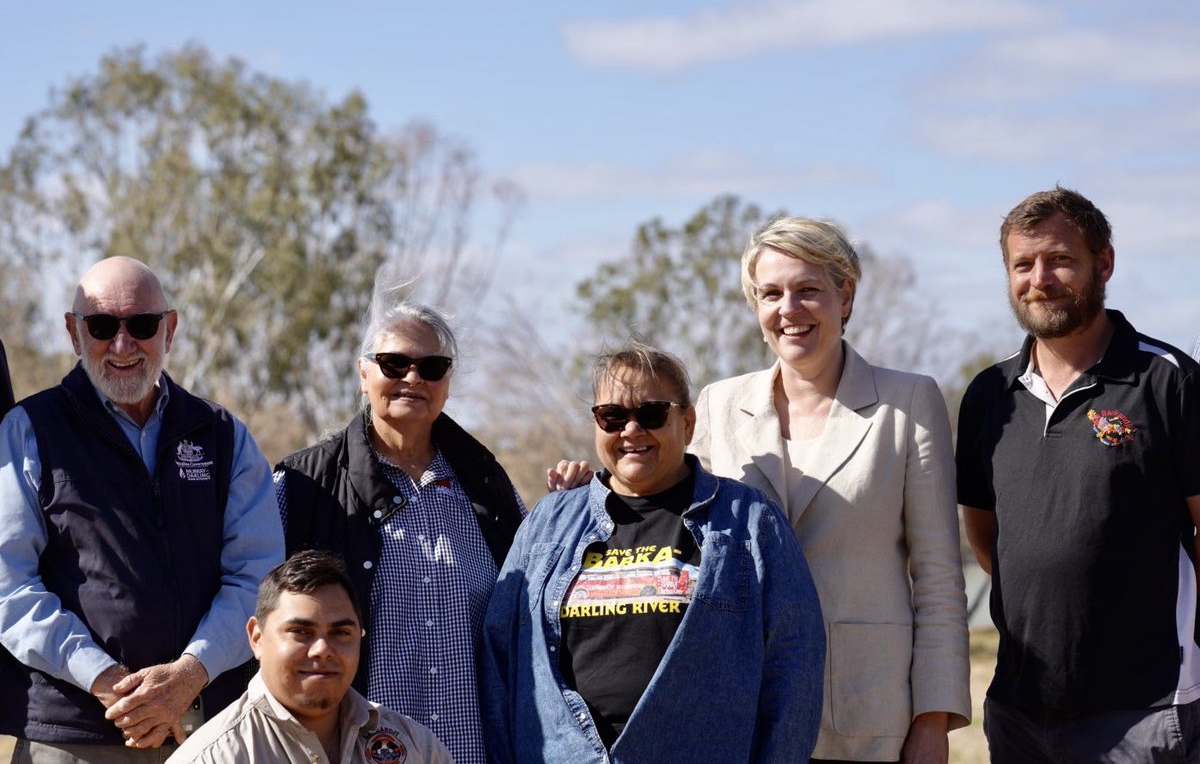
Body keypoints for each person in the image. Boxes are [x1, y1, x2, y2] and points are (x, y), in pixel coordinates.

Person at [691, 217, 971, 764]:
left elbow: (938, 575)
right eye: (770, 293)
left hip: (868, 720)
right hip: (742, 718)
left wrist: (933, 722)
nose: (788, 309)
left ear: (845, 295)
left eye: (808, 290)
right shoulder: (717, 404)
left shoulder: (910, 401)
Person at [480, 342, 825, 764]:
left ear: (688, 421)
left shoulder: (750, 523)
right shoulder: (547, 524)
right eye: (612, 416)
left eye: (651, 413)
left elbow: (794, 668)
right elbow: (499, 661)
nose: (631, 430)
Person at [0, 256, 284, 761]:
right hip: (70, 738)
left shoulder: (223, 436)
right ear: (74, 332)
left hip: (205, 734)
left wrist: (188, 676)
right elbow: (9, 586)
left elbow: (258, 581)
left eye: (143, 324)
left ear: (169, 329)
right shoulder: (27, 431)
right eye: (104, 326)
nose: (123, 344)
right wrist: (106, 681)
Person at [957, 186, 1200, 763]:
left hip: (1143, 710)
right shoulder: (989, 396)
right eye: (1023, 264)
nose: (1040, 278)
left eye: (1061, 259)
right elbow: (989, 541)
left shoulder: (1169, 382)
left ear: (1104, 263)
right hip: (1020, 710)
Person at [274, 272, 543, 764]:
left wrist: (568, 507)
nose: (412, 379)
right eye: (394, 364)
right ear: (363, 373)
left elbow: (532, 613)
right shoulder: (302, 485)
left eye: (432, 366)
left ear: (447, 382)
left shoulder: (488, 485)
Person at [165, 550, 452, 764]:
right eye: (301, 631)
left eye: (340, 633)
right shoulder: (211, 758)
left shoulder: (418, 748)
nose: (322, 649)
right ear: (257, 638)